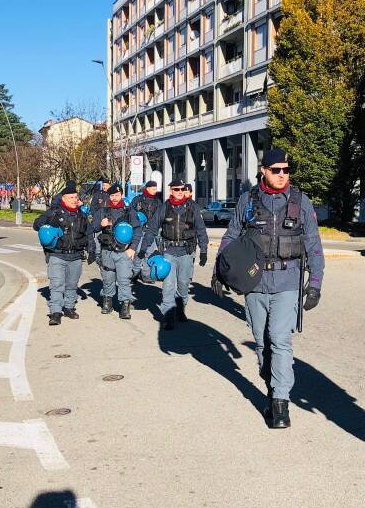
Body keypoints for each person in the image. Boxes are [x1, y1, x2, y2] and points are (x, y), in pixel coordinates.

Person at [212, 149, 324, 429]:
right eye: (276, 170)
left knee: (279, 339)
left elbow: (314, 245)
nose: (282, 174)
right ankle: (273, 385)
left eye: (286, 170)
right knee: (262, 342)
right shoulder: (248, 201)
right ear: (263, 170)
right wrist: (219, 270)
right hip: (254, 282)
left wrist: (315, 285)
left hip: (288, 282)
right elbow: (231, 236)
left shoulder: (300, 201)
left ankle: (281, 405)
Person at [139, 178, 209, 330]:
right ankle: (169, 316)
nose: (180, 192)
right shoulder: (164, 208)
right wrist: (143, 248)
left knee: (183, 285)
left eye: (182, 189)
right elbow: (152, 229)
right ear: (171, 191)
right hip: (169, 252)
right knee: (168, 285)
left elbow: (201, 229)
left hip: (186, 252)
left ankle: (180, 308)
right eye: (176, 189)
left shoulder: (193, 208)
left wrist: (204, 250)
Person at [33, 183, 93, 325]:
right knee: (57, 284)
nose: (74, 199)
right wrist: (48, 219)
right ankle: (55, 312)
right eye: (70, 197)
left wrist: (92, 250)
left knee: (72, 284)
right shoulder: (54, 212)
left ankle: (69, 308)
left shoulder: (82, 215)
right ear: (63, 199)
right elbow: (36, 225)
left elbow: (89, 234)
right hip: (57, 255)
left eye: (75, 197)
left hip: (76, 256)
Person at [91, 184, 140, 319]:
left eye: (117, 195)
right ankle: (108, 302)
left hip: (124, 252)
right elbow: (93, 228)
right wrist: (100, 225)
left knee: (124, 280)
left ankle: (125, 306)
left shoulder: (129, 211)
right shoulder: (103, 211)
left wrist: (133, 248)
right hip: (107, 251)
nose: (114, 198)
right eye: (112, 195)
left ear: (122, 195)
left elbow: (137, 230)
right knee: (108, 279)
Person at [130, 180, 163, 281]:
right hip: (139, 230)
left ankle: (146, 274)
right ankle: (135, 272)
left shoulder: (157, 202)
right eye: (153, 188)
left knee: (149, 252)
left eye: (156, 188)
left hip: (151, 231)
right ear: (147, 188)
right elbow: (130, 213)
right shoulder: (138, 200)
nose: (155, 190)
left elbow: (160, 216)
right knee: (138, 251)